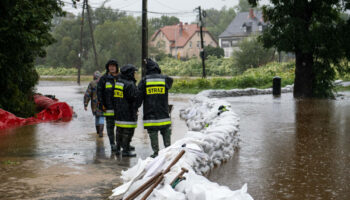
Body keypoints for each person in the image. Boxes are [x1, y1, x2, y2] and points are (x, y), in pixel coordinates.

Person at [137, 58, 173, 158]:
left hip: (150, 112)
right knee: (165, 130)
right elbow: (171, 81)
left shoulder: (144, 80)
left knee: (153, 132)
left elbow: (139, 96)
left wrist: (136, 106)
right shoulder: (165, 79)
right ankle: (168, 150)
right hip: (163, 111)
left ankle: (156, 152)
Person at [114, 64, 139, 157]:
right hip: (128, 112)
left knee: (119, 130)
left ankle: (118, 148)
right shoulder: (130, 84)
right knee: (128, 131)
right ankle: (125, 150)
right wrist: (135, 109)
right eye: (134, 72)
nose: (135, 74)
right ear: (130, 73)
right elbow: (134, 99)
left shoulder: (119, 82)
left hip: (119, 111)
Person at [97, 59, 119, 152]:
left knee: (120, 128)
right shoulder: (104, 79)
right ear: (107, 67)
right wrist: (102, 104)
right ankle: (112, 144)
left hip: (120, 108)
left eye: (113, 66)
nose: (112, 67)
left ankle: (120, 144)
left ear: (116, 67)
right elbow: (99, 93)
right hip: (108, 108)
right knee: (110, 127)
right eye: (110, 66)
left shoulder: (121, 77)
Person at [84, 71, 104, 137]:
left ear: (94, 76)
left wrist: (85, 104)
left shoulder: (92, 83)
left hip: (94, 104)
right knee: (102, 117)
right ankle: (101, 133)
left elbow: (87, 94)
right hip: (103, 104)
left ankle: (98, 132)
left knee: (97, 117)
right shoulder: (104, 82)